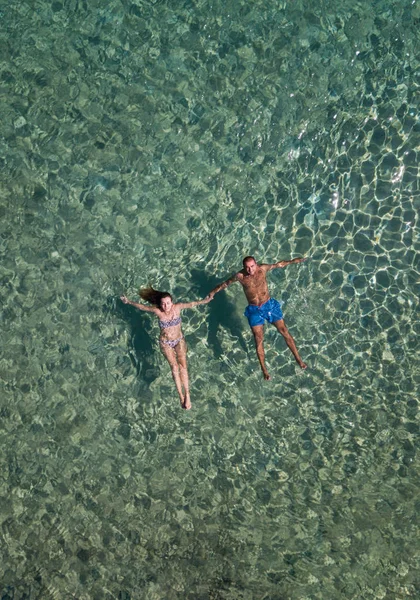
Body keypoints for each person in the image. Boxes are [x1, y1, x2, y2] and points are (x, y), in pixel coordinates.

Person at [208, 256, 307, 380]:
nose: (250, 270)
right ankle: (264, 370)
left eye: (252, 266)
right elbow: (225, 284)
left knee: (284, 331)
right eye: (247, 267)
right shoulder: (240, 276)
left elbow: (278, 264)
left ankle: (298, 359)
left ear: (256, 264)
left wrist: (293, 261)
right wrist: (213, 292)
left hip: (269, 305)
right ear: (244, 267)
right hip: (254, 310)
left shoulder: (263, 268)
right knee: (258, 338)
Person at [120, 288, 212, 409]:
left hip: (179, 340)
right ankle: (181, 396)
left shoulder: (177, 308)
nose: (166, 306)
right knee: (174, 367)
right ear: (160, 304)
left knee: (183, 366)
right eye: (163, 303)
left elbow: (192, 304)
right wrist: (129, 302)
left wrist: (205, 301)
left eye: (168, 303)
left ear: (172, 302)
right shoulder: (158, 312)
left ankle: (187, 394)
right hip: (166, 343)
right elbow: (143, 307)